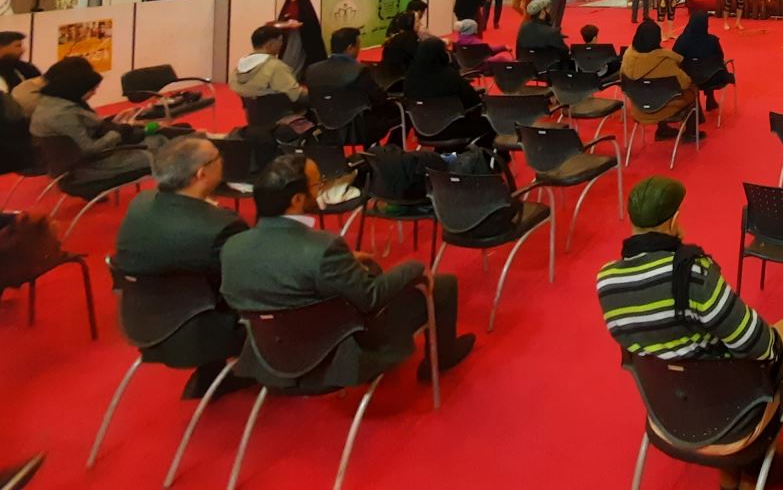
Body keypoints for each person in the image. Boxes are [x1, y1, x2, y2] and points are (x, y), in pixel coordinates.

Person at [596, 176, 783, 490]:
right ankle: (751, 469)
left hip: (667, 413)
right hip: (729, 416)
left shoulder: (607, 282)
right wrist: (779, 348)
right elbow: (755, 342)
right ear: (674, 221)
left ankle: (731, 474)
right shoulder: (693, 275)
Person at [221, 153, 474, 390]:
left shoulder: (232, 246)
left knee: (369, 268)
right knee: (444, 285)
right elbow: (370, 298)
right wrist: (414, 267)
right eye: (318, 184)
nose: (322, 188)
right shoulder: (323, 249)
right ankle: (442, 359)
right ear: (296, 200)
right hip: (336, 349)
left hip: (270, 353)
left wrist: (341, 262)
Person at [112, 136, 248, 397]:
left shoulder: (141, 203)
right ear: (201, 173)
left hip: (138, 320)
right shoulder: (221, 227)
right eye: (218, 156)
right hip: (198, 332)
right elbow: (249, 278)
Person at [30, 56, 156, 179]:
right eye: (91, 89)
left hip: (71, 163)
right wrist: (119, 131)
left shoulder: (51, 103)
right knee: (159, 150)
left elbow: (84, 128)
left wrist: (113, 120)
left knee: (153, 140)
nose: (94, 93)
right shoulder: (63, 115)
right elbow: (89, 149)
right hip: (85, 168)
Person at [307, 27, 401, 145]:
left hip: (324, 126)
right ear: (350, 48)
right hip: (358, 129)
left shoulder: (312, 70)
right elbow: (379, 98)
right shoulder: (359, 70)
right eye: (358, 45)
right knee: (401, 113)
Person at [621, 19, 701, 140]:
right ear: (657, 38)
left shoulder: (628, 57)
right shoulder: (665, 60)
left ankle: (663, 129)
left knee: (654, 89)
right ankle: (691, 132)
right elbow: (685, 83)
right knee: (692, 90)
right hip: (661, 108)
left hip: (638, 107)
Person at [229, 24, 305, 106]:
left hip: (253, 112)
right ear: (270, 45)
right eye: (280, 41)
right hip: (280, 111)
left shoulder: (238, 68)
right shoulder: (275, 67)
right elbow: (296, 95)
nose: (282, 44)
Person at [672, 11, 730, 111]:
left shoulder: (682, 40)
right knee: (711, 67)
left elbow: (674, 57)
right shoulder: (712, 41)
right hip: (711, 79)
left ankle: (695, 100)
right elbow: (720, 57)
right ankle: (710, 96)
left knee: (694, 69)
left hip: (687, 77)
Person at [274, 0, 325, 77]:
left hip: (302, 38)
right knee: (287, 57)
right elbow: (281, 20)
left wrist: (301, 24)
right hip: (289, 37)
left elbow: (311, 24)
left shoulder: (306, 8)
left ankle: (293, 76)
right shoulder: (287, 7)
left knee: (296, 57)